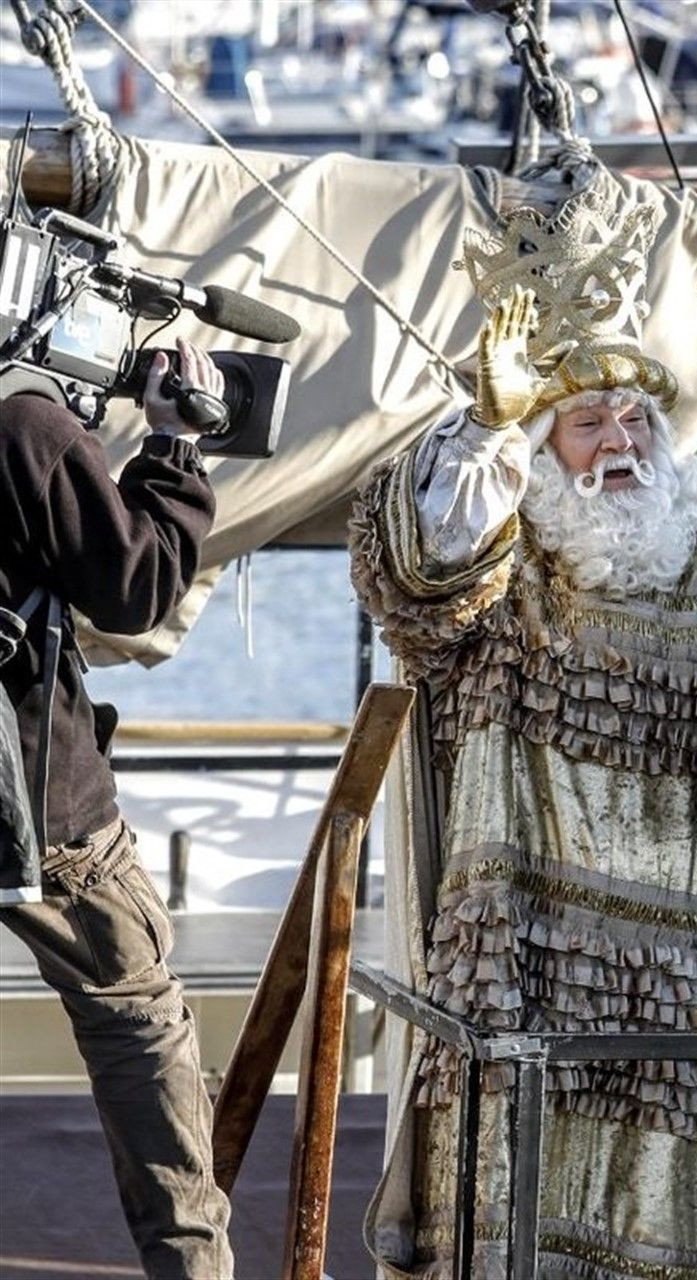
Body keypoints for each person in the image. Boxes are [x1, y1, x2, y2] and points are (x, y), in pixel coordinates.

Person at [351, 179, 697, 1279]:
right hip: (517, 975)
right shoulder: (501, 578)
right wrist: (486, 424)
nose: (622, 439)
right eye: (589, 420)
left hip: (680, 1008)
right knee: (504, 1232)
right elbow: (415, 570)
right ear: (544, 450)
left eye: (639, 418)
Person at [0, 339, 233, 1277]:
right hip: (45, 810)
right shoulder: (24, 428)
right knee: (139, 1032)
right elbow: (135, 586)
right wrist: (173, 443)